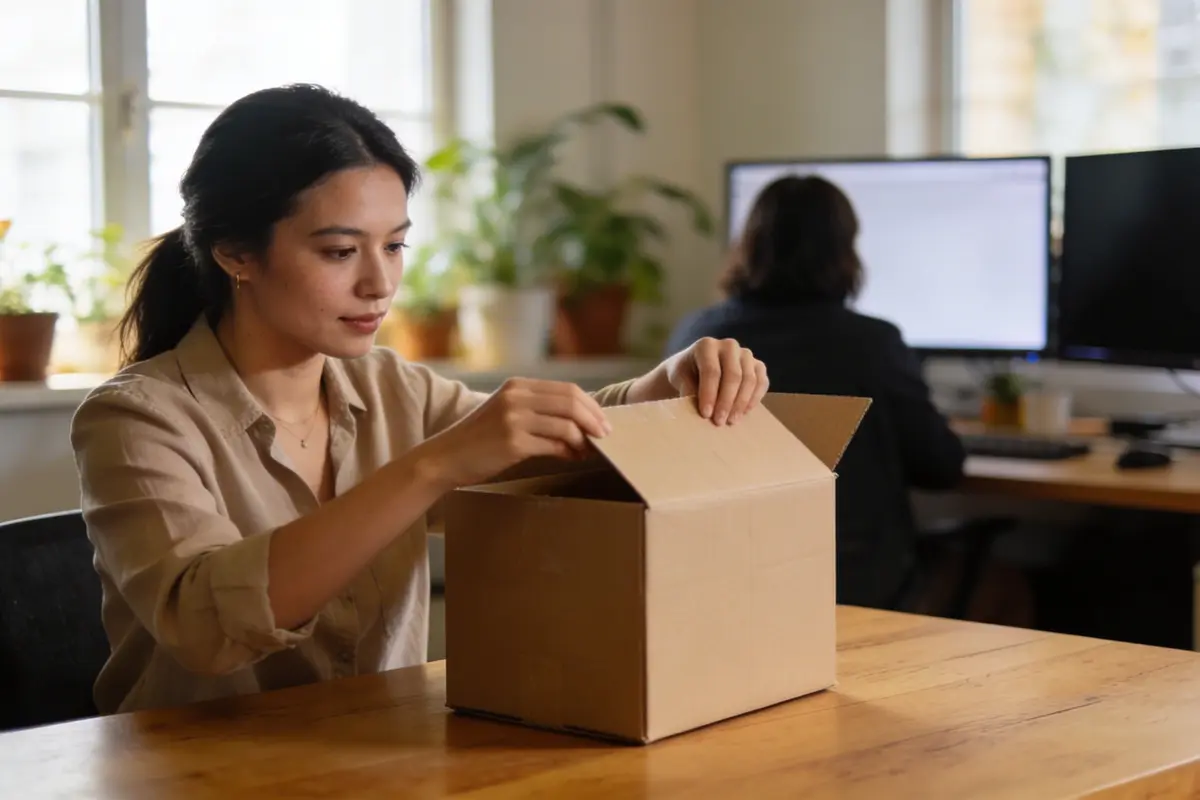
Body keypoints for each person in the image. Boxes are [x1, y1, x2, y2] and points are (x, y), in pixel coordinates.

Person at [72, 84, 768, 715]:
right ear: (235, 255)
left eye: (396, 245)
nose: (380, 284)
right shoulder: (135, 419)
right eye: (341, 252)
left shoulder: (390, 387)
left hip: (379, 763)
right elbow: (206, 630)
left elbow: (550, 438)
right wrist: (432, 468)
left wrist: (663, 385)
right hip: (192, 776)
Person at [666, 175, 964, 610]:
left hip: (729, 579)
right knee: (1005, 583)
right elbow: (941, 467)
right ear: (845, 251)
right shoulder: (872, 343)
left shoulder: (697, 335)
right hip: (855, 583)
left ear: (748, 244)